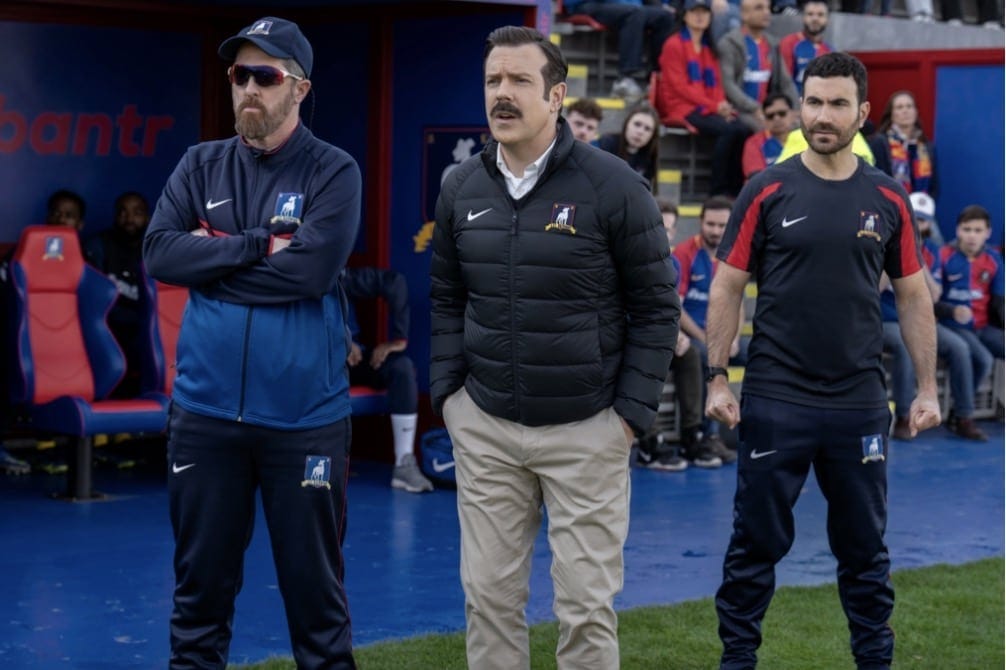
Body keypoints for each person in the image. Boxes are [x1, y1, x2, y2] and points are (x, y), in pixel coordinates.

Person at [430, 26, 679, 669]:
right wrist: (451, 398)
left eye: (518, 81)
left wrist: (626, 419)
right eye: (493, 81)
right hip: (485, 426)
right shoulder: (461, 187)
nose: (502, 95)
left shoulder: (615, 186)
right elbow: (447, 298)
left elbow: (656, 309)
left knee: (586, 611)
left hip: (587, 430)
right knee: (487, 599)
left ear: (558, 94)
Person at [706, 52, 941, 670]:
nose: (823, 115)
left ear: (864, 113)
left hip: (860, 401)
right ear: (800, 107)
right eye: (813, 102)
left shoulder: (888, 196)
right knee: (754, 545)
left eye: (838, 104)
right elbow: (727, 286)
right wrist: (715, 378)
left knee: (865, 552)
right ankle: (737, 662)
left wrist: (928, 389)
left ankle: (874, 663)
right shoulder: (767, 187)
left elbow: (914, 295)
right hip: (776, 397)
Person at [142, 16, 361, 669]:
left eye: (264, 76)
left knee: (316, 607)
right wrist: (257, 247)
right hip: (205, 420)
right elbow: (159, 254)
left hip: (304, 423)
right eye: (239, 75)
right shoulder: (198, 162)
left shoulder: (334, 171)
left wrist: (211, 261)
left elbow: (311, 272)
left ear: (298, 87)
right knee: (197, 602)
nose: (248, 90)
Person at [341, 266, 433, 493]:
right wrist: (339, 341)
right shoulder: (297, 273)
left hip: (355, 360)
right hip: (320, 360)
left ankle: (404, 464)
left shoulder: (340, 274)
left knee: (401, 367)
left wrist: (398, 339)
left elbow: (394, 281)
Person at [636, 197, 706, 472]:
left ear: (674, 232)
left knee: (691, 354)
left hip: (655, 337)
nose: (662, 234)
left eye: (667, 229)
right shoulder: (626, 257)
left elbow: (667, 309)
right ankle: (649, 444)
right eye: (657, 227)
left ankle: (692, 435)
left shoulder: (671, 265)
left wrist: (675, 334)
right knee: (645, 357)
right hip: (629, 340)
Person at [673, 195, 744, 467]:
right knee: (706, 356)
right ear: (700, 222)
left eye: (721, 225)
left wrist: (734, 338)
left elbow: (735, 301)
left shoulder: (733, 255)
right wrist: (709, 340)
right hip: (696, 336)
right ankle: (708, 437)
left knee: (764, 352)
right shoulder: (684, 252)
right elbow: (676, 308)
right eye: (710, 224)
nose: (715, 231)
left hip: (724, 336)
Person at [654, 0, 750, 196]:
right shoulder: (674, 44)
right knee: (729, 131)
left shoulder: (709, 48)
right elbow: (679, 87)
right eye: (694, 11)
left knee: (743, 129)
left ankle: (737, 188)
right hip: (681, 107)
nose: (700, 16)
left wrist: (722, 106)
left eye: (704, 12)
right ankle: (718, 190)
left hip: (707, 107)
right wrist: (715, 106)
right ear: (685, 16)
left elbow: (716, 84)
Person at [936, 205, 1003, 413]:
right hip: (952, 326)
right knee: (983, 359)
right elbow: (928, 302)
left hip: (983, 326)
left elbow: (1000, 301)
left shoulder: (994, 259)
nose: (972, 236)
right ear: (957, 230)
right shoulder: (943, 255)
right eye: (967, 229)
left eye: (978, 230)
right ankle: (962, 412)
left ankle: (967, 405)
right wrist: (951, 311)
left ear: (988, 233)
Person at [84, 192, 150, 397]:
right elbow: (89, 301)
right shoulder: (98, 245)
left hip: (146, 327)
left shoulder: (156, 246)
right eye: (122, 212)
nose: (129, 219)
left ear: (148, 217)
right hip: (107, 325)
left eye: (137, 213)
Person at [562, 0, 678, 99]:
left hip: (629, 6)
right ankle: (625, 79)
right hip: (589, 3)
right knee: (635, 13)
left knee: (665, 17)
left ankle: (654, 80)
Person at [717, 0, 798, 133]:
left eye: (768, 8)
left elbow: (786, 83)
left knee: (798, 126)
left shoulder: (772, 44)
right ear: (744, 14)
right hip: (740, 110)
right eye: (759, 8)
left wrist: (795, 110)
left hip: (769, 110)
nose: (766, 12)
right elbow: (728, 85)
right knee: (764, 129)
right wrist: (754, 108)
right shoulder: (729, 43)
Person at [867, 90, 938, 198]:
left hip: (921, 210)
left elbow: (935, 187)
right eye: (899, 107)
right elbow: (877, 182)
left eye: (909, 106)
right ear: (891, 114)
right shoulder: (879, 142)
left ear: (916, 111)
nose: (905, 110)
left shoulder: (927, 146)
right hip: (891, 208)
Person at [598, 100, 661, 193]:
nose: (640, 132)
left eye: (647, 129)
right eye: (637, 124)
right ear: (627, 124)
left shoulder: (649, 157)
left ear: (652, 135)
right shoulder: (608, 143)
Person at [778, 0, 832, 99]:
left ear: (827, 19)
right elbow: (783, 83)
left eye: (820, 15)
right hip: (793, 107)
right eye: (810, 14)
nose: (815, 19)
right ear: (803, 17)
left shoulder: (829, 50)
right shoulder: (788, 43)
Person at [741, 93, 793, 180]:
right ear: (764, 120)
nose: (777, 119)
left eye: (782, 113)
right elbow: (757, 179)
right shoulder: (754, 143)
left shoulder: (805, 137)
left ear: (793, 114)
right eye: (770, 116)